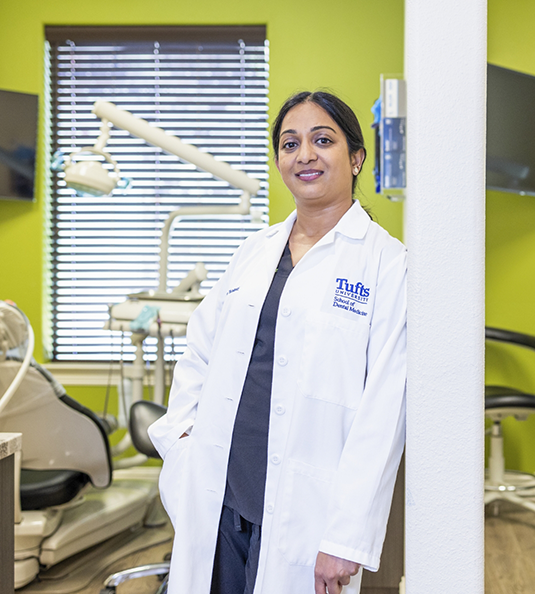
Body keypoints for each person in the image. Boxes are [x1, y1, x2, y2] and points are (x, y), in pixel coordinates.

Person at [148, 90, 407, 594]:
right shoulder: (253, 251)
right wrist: (181, 445)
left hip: (306, 512)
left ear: (356, 158)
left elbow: (385, 409)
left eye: (322, 140)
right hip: (220, 494)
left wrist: (346, 536)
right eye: (290, 144)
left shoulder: (387, 264)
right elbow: (198, 354)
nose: (304, 155)